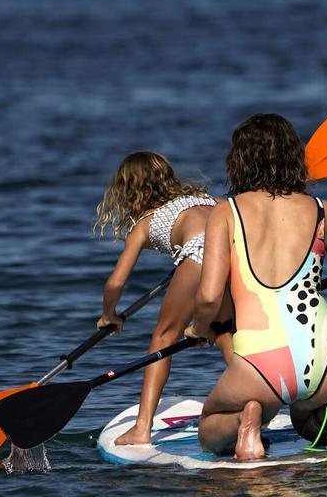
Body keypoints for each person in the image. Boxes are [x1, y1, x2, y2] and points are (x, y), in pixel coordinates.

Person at [187, 114, 327, 459]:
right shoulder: (322, 211)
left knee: (210, 430)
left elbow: (210, 295)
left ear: (239, 161)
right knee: (307, 421)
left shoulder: (226, 213)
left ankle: (247, 417)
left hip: (261, 362)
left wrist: (198, 328)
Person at [93, 151, 232, 446]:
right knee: (225, 331)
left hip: (201, 252)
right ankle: (255, 394)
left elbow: (116, 281)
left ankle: (142, 428)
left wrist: (109, 314)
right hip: (237, 252)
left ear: (126, 191)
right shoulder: (208, 199)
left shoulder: (144, 222)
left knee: (163, 337)